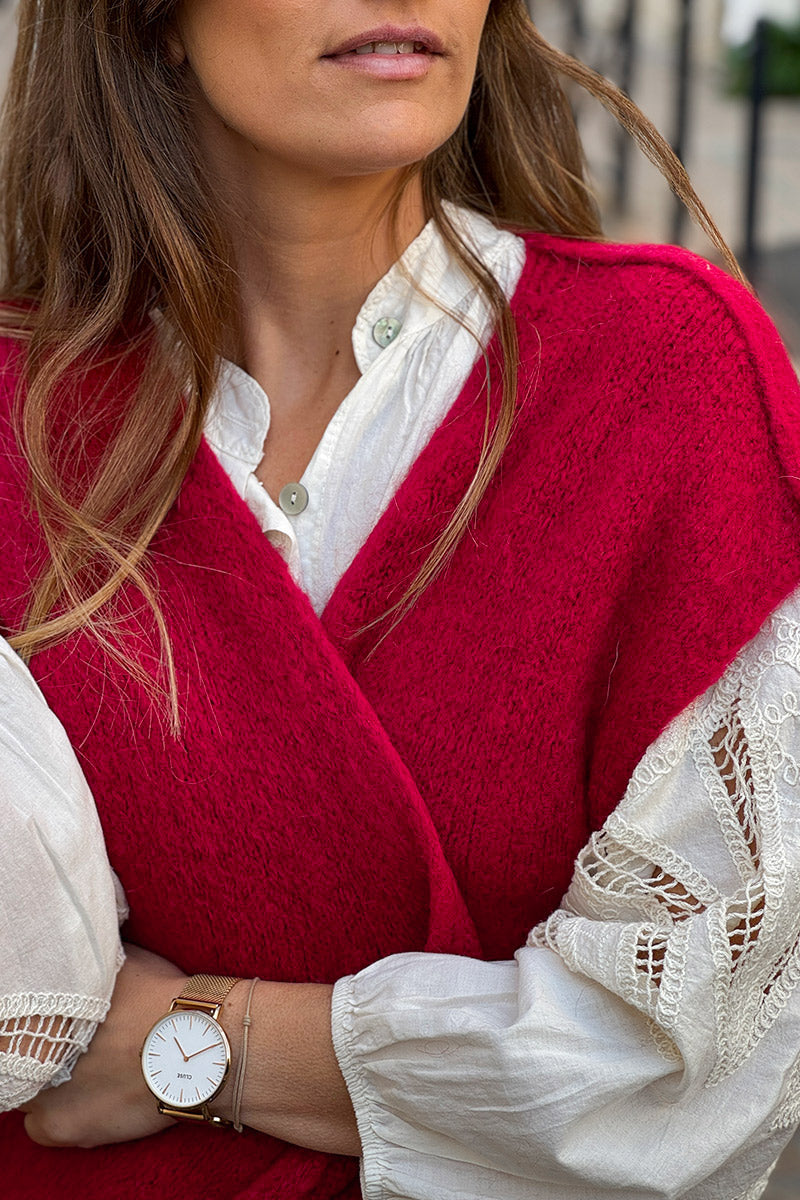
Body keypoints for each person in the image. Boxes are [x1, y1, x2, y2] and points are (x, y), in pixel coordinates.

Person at [2, 0, 800, 1197]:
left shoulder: (666, 373)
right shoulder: (22, 419)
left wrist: (201, 1047)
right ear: (152, 19)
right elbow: (31, 1020)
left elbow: (693, 1060)